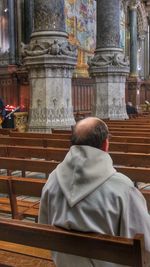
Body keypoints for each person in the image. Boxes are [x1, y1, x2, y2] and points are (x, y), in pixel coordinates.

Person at [38, 117, 150, 267]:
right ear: (105, 144)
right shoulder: (122, 188)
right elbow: (145, 245)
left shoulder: (52, 180)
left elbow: (44, 229)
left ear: (72, 144)